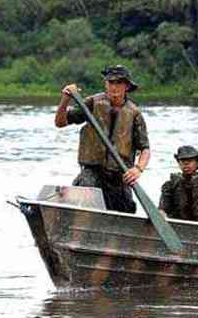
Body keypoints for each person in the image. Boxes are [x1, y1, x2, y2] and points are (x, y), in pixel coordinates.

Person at [54, 65, 149, 213]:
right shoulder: (93, 103)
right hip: (92, 172)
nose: (114, 87)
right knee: (85, 195)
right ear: (105, 84)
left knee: (125, 211)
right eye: (110, 82)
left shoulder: (134, 113)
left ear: (127, 86)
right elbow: (60, 122)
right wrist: (65, 100)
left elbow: (145, 149)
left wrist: (138, 169)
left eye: (119, 83)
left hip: (119, 177)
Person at [158, 145, 198, 221]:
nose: (186, 164)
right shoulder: (170, 184)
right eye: (182, 161)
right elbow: (163, 207)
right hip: (178, 222)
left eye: (190, 161)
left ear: (197, 163)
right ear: (178, 163)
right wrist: (161, 213)